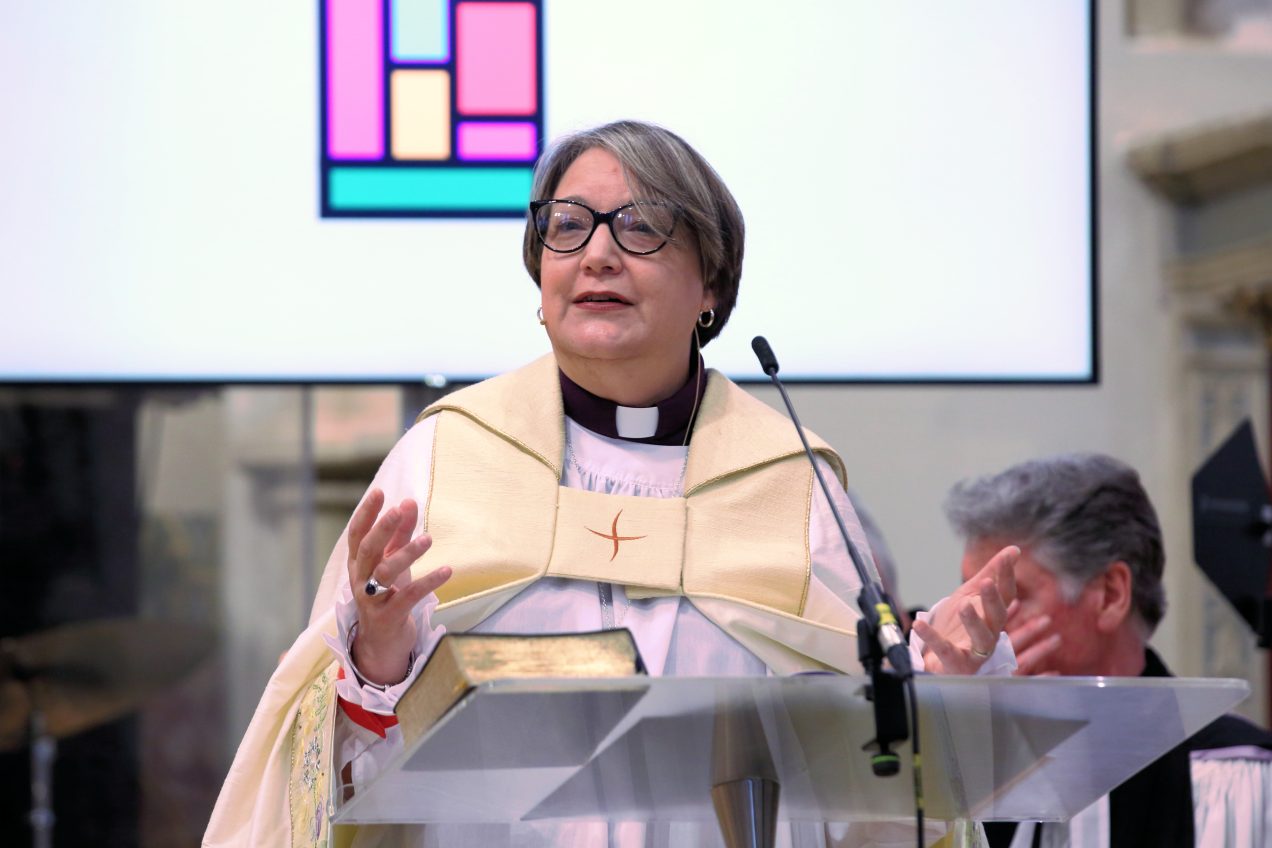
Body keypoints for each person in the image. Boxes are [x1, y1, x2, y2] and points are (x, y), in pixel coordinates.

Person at [204, 120, 1021, 848]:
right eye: (568, 227)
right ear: (540, 279)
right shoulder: (446, 457)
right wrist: (375, 663)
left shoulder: (791, 485)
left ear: (711, 285)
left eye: (640, 227)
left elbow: (857, 790)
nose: (597, 253)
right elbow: (343, 778)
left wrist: (935, 698)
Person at [946, 452, 1272, 848]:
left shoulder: (1240, 778)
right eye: (970, 596)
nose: (978, 625)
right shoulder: (967, 769)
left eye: (1008, 595)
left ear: (1110, 595)